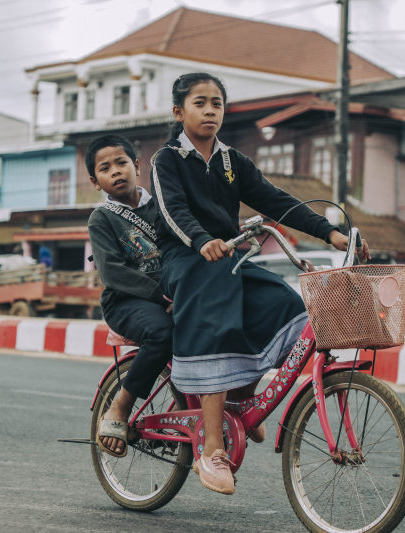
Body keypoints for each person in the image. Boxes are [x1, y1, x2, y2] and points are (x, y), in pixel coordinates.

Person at [150, 73, 369, 495]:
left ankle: (240, 402)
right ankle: (211, 447)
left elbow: (276, 200)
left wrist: (330, 232)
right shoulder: (167, 159)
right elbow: (171, 209)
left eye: (217, 102)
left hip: (225, 256)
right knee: (216, 311)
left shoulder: (233, 162)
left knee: (285, 305)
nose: (210, 109)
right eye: (200, 103)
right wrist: (201, 240)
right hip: (183, 258)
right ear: (179, 112)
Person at [86, 134, 173, 458]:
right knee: (161, 332)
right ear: (96, 182)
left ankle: (233, 399)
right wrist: (163, 297)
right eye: (106, 168)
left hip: (175, 293)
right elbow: (113, 273)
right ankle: (121, 406)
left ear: (136, 165)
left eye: (121, 163)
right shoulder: (102, 218)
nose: (116, 172)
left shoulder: (164, 205)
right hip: (127, 301)